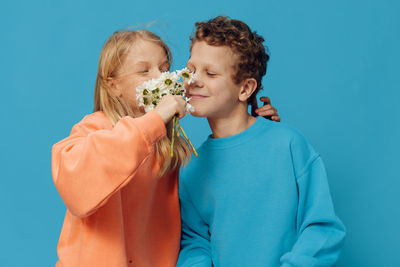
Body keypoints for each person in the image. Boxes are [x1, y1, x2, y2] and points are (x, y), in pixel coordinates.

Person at [51, 30, 279, 267]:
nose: (159, 77)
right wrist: (154, 121)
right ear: (113, 85)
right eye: (144, 70)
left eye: (164, 68)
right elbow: (75, 185)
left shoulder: (173, 149)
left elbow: (217, 197)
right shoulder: (96, 129)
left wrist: (254, 132)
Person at [177, 16, 346, 267]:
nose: (194, 80)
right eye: (191, 70)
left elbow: (322, 227)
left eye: (211, 73)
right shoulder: (191, 168)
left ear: (245, 89)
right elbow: (195, 240)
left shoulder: (288, 146)